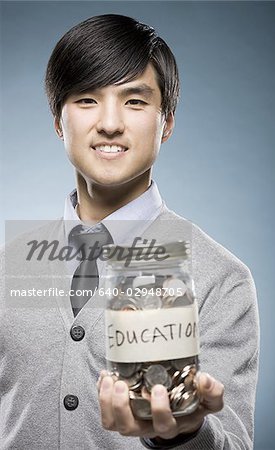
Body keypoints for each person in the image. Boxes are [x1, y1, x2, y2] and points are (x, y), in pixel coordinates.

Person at [0, 14, 259, 450]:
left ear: (167, 122)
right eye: (86, 99)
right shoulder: (9, 263)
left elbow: (234, 442)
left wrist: (189, 432)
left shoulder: (220, 278)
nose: (110, 123)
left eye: (135, 102)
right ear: (58, 121)